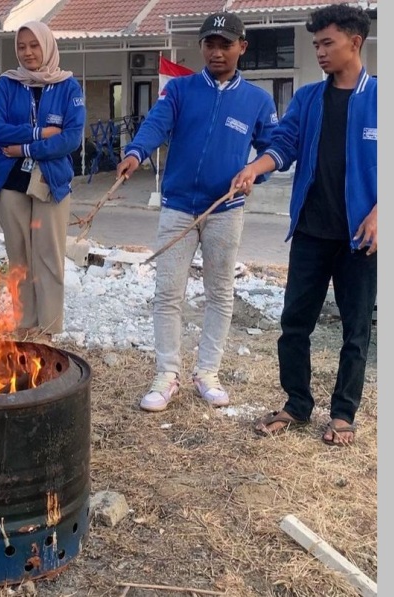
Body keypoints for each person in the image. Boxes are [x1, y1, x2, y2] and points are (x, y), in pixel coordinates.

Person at [117, 12, 278, 413]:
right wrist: (135, 153)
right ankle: (166, 374)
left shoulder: (257, 100)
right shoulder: (181, 90)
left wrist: (253, 174)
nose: (217, 51)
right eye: (210, 43)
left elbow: (275, 149)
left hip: (226, 209)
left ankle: (207, 372)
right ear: (201, 47)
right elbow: (156, 123)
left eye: (226, 44)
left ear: (242, 46)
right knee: (167, 294)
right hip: (177, 208)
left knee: (219, 294)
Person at [231, 4, 376, 447]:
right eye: (315, 44)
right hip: (311, 232)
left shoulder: (383, 99)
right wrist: (255, 167)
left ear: (355, 42)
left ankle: (343, 413)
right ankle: (297, 403)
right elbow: (285, 143)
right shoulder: (309, 97)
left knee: (356, 328)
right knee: (295, 322)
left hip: (360, 237)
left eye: (327, 43)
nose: (319, 52)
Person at [0, 20, 86, 342]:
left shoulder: (68, 87)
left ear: (47, 46)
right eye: (22, 46)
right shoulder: (8, 83)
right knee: (19, 255)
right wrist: (39, 134)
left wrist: (25, 148)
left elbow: (71, 139)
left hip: (50, 182)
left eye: (34, 45)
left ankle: (48, 328)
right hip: (12, 183)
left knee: (49, 255)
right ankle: (24, 322)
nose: (28, 52)